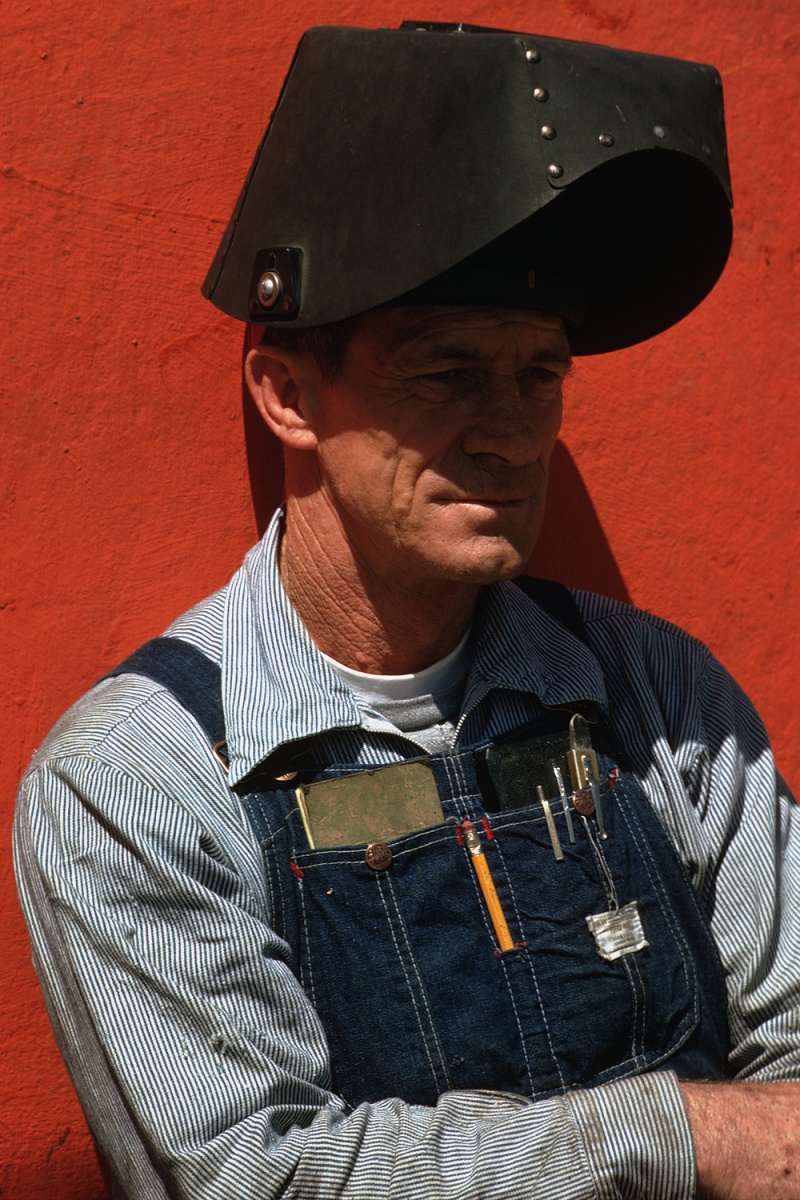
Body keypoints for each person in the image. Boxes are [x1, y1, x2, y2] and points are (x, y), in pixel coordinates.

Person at [14, 21, 800, 1200]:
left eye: (539, 372)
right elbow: (256, 1179)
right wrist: (679, 1133)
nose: (508, 428)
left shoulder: (659, 696)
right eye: (445, 370)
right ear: (287, 392)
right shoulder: (138, 781)